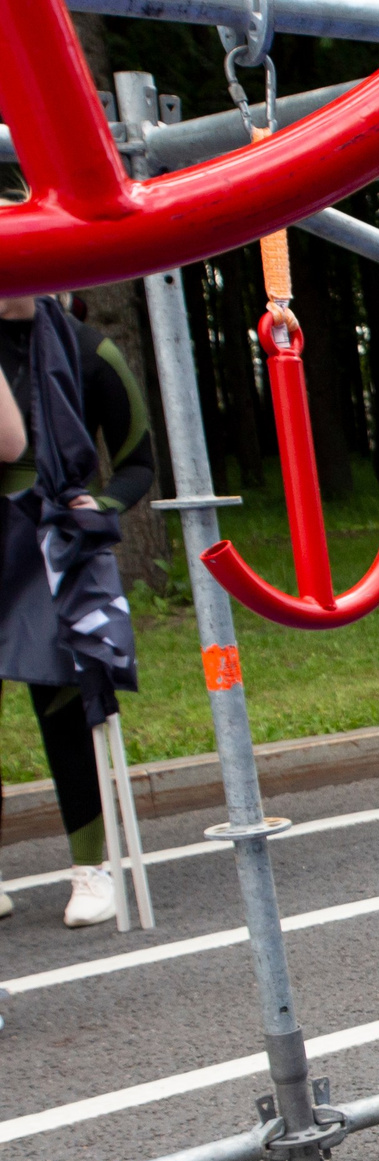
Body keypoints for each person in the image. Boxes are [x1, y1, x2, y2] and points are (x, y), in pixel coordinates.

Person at [0, 292, 155, 929]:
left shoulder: (92, 351)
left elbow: (138, 461)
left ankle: (91, 868)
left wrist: (106, 509)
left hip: (49, 537)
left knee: (62, 697)